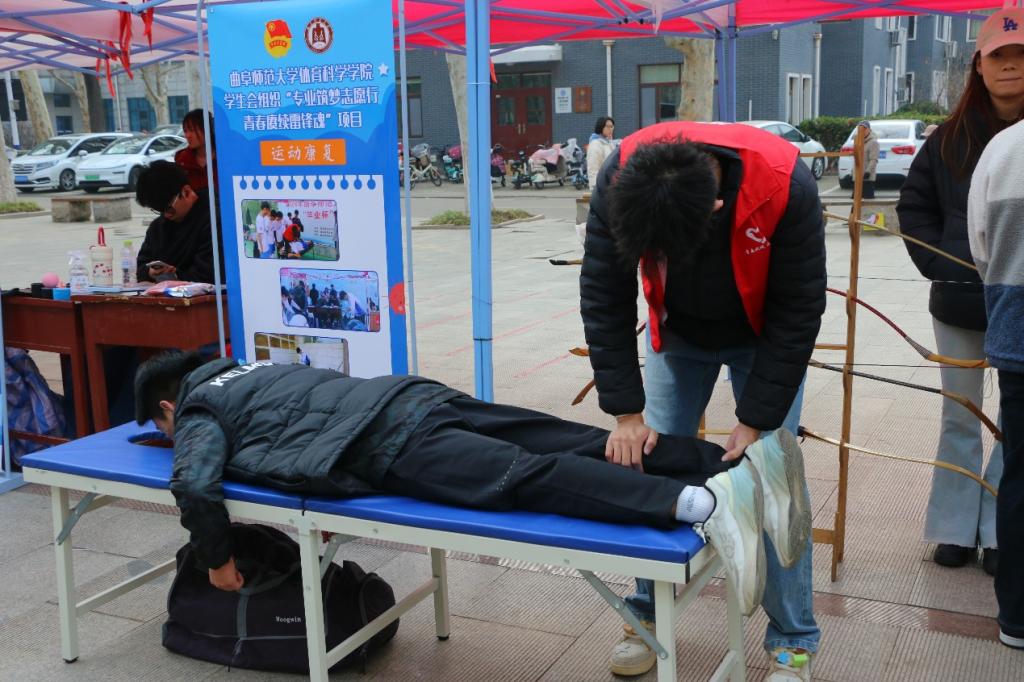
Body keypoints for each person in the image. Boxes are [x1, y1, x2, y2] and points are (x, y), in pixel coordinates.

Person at [135, 351, 811, 620]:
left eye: (163, 427)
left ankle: (700, 504)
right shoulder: (251, 365)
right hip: (417, 397)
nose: (170, 434)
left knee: (529, 478)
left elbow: (195, 483)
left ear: (168, 406)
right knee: (573, 439)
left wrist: (219, 561)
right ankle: (734, 463)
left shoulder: (198, 407)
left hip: (389, 444)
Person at [581, 121, 825, 680]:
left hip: (763, 334)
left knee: (773, 480)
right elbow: (603, 295)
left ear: (716, 207)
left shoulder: (784, 182)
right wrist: (626, 413)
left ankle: (792, 638)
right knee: (650, 467)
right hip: (678, 333)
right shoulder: (620, 178)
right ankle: (645, 614)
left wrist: (756, 421)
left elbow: (798, 311)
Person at [896, 6, 1024, 576]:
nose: (1010, 66)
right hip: (958, 300)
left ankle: (1000, 530)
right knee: (960, 415)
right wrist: (940, 264)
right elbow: (913, 208)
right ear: (979, 64)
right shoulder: (948, 139)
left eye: (1021, 56)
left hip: (1020, 302)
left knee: (1015, 424)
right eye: (999, 56)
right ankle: (952, 527)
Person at [968, 116, 1024, 651]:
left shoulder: (1005, 147)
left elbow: (981, 247)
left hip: (1016, 324)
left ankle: (1017, 616)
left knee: (1020, 473)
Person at [134, 160, 223, 284]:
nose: (166, 215)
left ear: (186, 191)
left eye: (169, 209)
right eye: (159, 210)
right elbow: (141, 266)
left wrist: (175, 276)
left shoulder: (215, 219)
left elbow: (208, 274)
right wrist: (150, 272)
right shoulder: (157, 227)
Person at [175, 108, 217, 195]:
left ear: (208, 130)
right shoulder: (182, 160)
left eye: (192, 130)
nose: (187, 135)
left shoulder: (225, 158)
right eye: (185, 131)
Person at [587, 116, 616, 191]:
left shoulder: (609, 142)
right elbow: (593, 168)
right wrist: (595, 187)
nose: (610, 129)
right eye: (608, 126)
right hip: (601, 187)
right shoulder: (595, 144)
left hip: (610, 184)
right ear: (601, 127)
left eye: (612, 127)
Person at [853, 120, 879, 199]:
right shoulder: (858, 141)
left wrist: (868, 172)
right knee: (855, 200)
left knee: (868, 201)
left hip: (867, 178)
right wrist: (853, 171)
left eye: (864, 129)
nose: (862, 131)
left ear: (869, 129)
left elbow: (874, 159)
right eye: (860, 129)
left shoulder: (873, 142)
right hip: (857, 177)